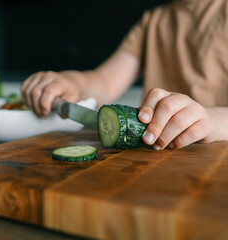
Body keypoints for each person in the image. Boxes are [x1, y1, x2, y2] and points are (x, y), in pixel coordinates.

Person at [20, 0, 228, 150]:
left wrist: (213, 120)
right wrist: (73, 83)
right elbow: (105, 81)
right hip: (155, 162)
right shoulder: (153, 21)